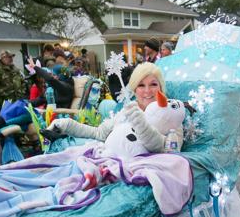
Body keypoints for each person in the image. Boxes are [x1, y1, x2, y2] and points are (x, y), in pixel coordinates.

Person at [48, 63, 182, 152]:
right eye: (141, 85)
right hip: (107, 161)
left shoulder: (171, 114)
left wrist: (141, 123)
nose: (147, 91)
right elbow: (99, 133)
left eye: (153, 84)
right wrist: (66, 125)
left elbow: (170, 150)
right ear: (134, 89)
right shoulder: (127, 111)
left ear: (161, 87)